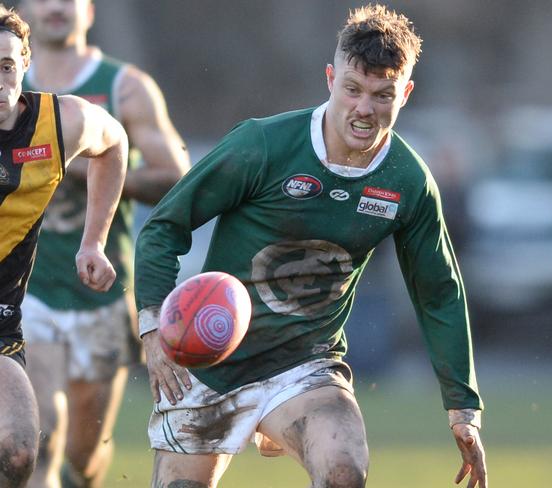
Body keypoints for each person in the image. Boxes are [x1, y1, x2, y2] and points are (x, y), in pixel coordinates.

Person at [135, 5, 487, 488]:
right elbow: (164, 226)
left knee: (344, 472)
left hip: (306, 364)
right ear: (330, 79)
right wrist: (154, 328)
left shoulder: (408, 182)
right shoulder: (263, 144)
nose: (365, 109)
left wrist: (462, 405)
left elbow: (438, 291)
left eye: (383, 95)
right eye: (353, 89)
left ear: (405, 93)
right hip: (210, 361)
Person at [14, 0, 191, 486]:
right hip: (27, 288)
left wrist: (82, 165)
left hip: (102, 288)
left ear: (88, 10)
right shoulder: (9, 84)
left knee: (84, 456)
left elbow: (178, 177)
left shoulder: (124, 86)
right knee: (40, 437)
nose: (55, 7)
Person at [0, 4, 127, 487]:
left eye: (8, 66)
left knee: (19, 452)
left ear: (25, 64)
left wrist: (93, 242)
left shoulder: (61, 121)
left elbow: (114, 143)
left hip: (1, 323)